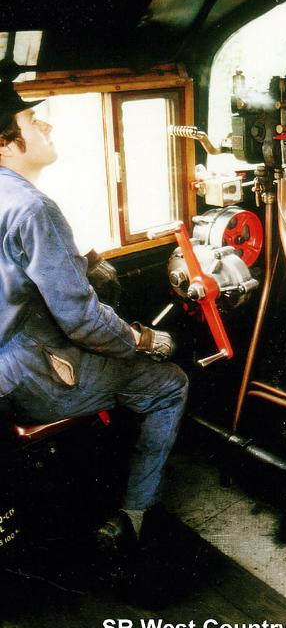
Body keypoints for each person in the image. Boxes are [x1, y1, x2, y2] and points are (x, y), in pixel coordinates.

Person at [0, 82, 188, 553]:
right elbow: (83, 322)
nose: (44, 123)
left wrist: (83, 260)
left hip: (10, 366)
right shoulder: (33, 207)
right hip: (33, 375)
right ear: (5, 140)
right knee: (170, 383)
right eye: (30, 121)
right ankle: (136, 516)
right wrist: (146, 341)